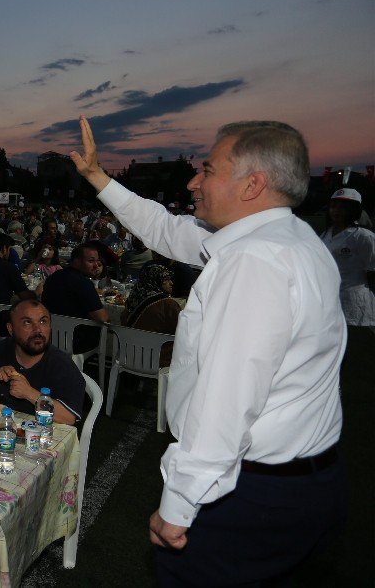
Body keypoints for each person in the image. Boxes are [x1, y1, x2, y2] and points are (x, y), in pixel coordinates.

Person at [72, 116, 347, 585]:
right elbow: (165, 229)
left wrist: (179, 504)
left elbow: (225, 399)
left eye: (209, 169)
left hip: (251, 492)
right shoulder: (289, 238)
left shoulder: (253, 262)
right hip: (303, 482)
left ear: (252, 184)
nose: (193, 180)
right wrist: (99, 178)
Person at [0, 298, 84, 421]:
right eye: (27, 322)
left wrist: (29, 393)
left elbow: (69, 417)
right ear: (11, 329)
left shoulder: (61, 364)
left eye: (43, 322)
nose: (38, 330)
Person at [319, 188, 374, 337]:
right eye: (334, 206)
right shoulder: (324, 235)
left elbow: (372, 271)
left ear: (354, 210)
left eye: (343, 207)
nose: (337, 211)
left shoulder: (364, 237)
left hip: (355, 303)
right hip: (330, 300)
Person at [39, 243, 108, 353]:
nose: (96, 265)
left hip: (50, 336)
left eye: (97, 261)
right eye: (91, 261)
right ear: (76, 262)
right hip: (76, 342)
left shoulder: (54, 277)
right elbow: (102, 318)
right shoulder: (83, 283)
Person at [123, 263, 180, 368]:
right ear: (155, 280)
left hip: (129, 355)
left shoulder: (132, 299)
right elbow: (182, 331)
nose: (171, 283)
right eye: (166, 280)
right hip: (157, 360)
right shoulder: (168, 305)